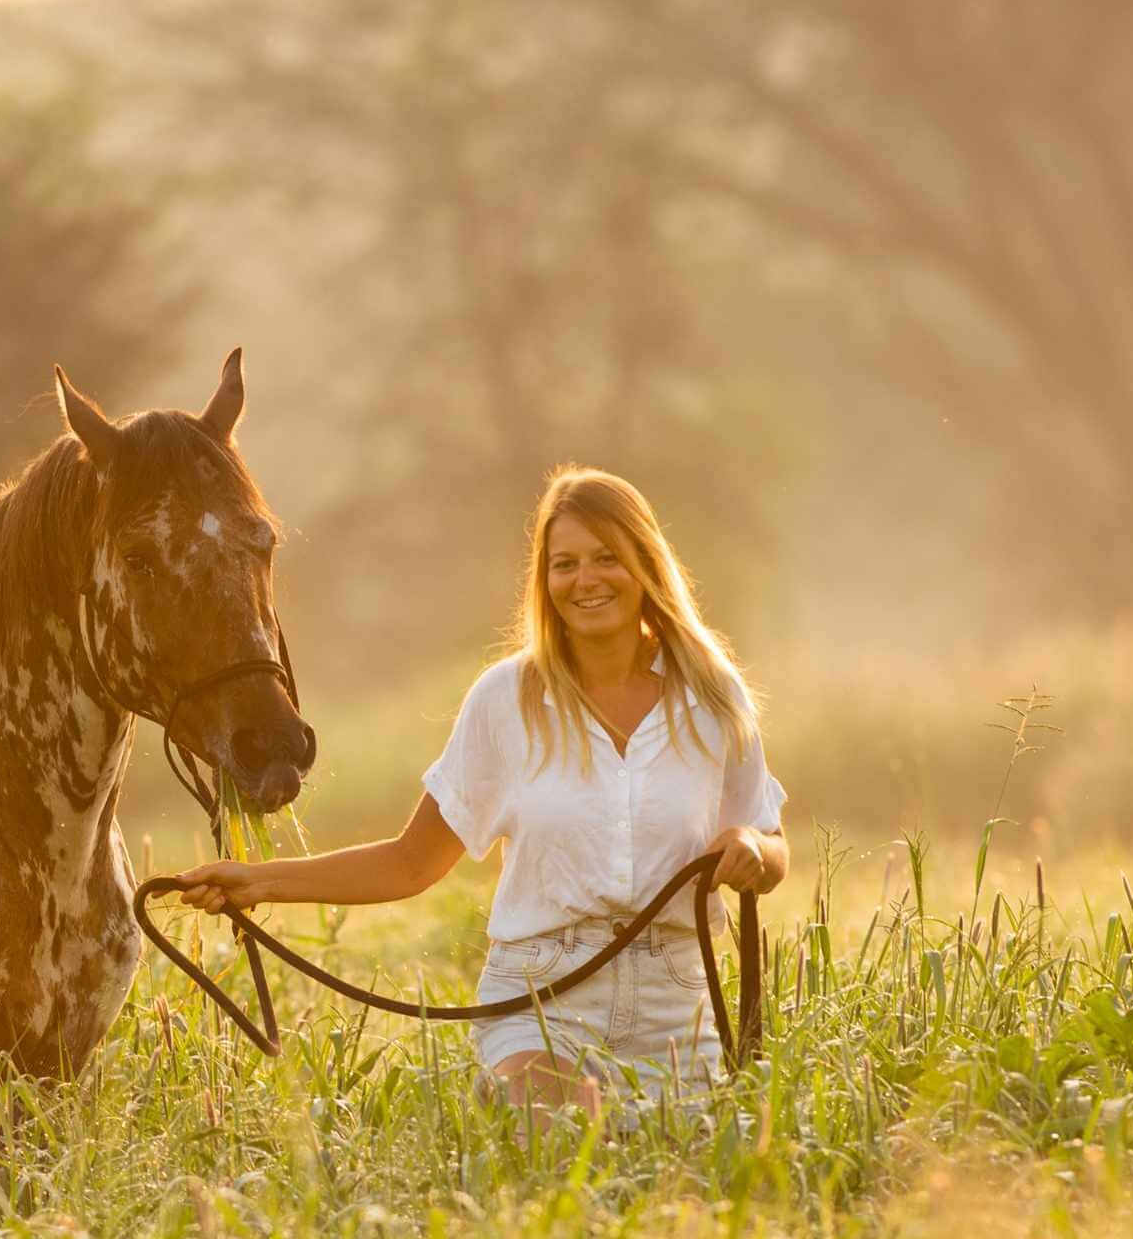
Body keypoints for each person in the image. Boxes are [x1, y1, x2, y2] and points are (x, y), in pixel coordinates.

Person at [171, 466, 789, 1124]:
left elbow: (769, 843)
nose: (585, 580)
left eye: (607, 558)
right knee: (558, 1130)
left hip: (673, 997)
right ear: (545, 582)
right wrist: (257, 883)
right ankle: (513, 1097)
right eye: (564, 564)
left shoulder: (713, 698)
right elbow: (411, 862)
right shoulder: (505, 700)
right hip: (543, 997)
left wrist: (752, 847)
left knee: (681, 1185)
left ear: (646, 563)